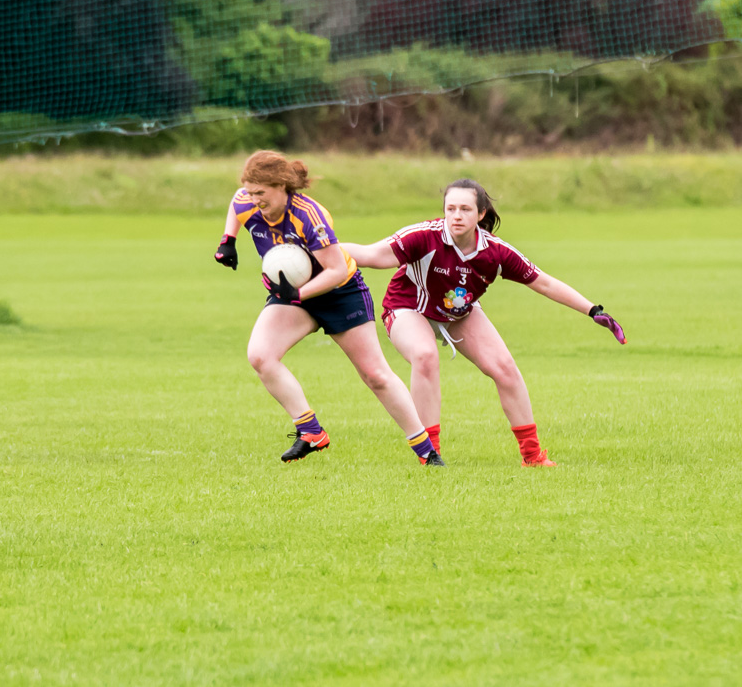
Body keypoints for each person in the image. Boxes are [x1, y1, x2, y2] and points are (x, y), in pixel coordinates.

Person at [341, 179, 626, 467]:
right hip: (407, 306)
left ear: (480, 214)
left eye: (465, 209)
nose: (456, 215)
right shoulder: (424, 236)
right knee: (425, 356)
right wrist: (322, 249)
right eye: (450, 208)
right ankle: (430, 455)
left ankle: (533, 456)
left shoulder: (495, 252)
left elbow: (545, 284)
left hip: (457, 312)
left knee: (505, 369)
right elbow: (370, 254)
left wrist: (592, 310)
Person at [213, 150, 445, 466]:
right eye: (250, 192)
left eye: (261, 193)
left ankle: (426, 451)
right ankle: (310, 431)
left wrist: (298, 292)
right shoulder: (247, 199)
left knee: (376, 375)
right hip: (294, 295)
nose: (254, 200)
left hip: (340, 292)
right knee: (260, 356)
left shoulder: (310, 217)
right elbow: (236, 202)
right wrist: (228, 239)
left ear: (282, 186)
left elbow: (336, 270)